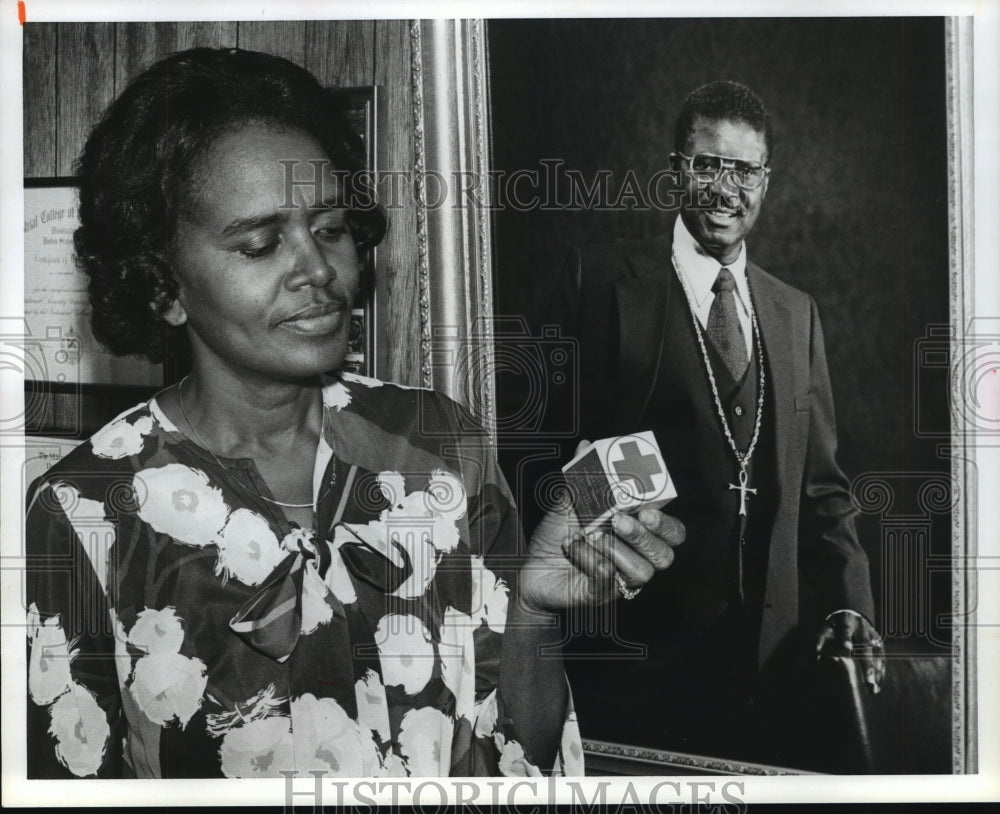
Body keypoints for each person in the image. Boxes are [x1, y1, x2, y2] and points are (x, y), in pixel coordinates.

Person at [24, 47, 684, 779]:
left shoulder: (440, 447)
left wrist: (532, 612)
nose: (318, 270)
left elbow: (518, 761)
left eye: (331, 229)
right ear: (162, 286)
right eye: (261, 243)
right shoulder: (84, 511)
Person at [543, 80, 885, 763]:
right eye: (708, 165)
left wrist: (852, 608)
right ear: (677, 168)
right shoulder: (603, 283)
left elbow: (824, 492)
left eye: (745, 170)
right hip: (632, 668)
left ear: (767, 179)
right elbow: (545, 451)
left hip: (771, 673)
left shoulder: (796, 314)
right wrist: (611, 540)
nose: (726, 190)